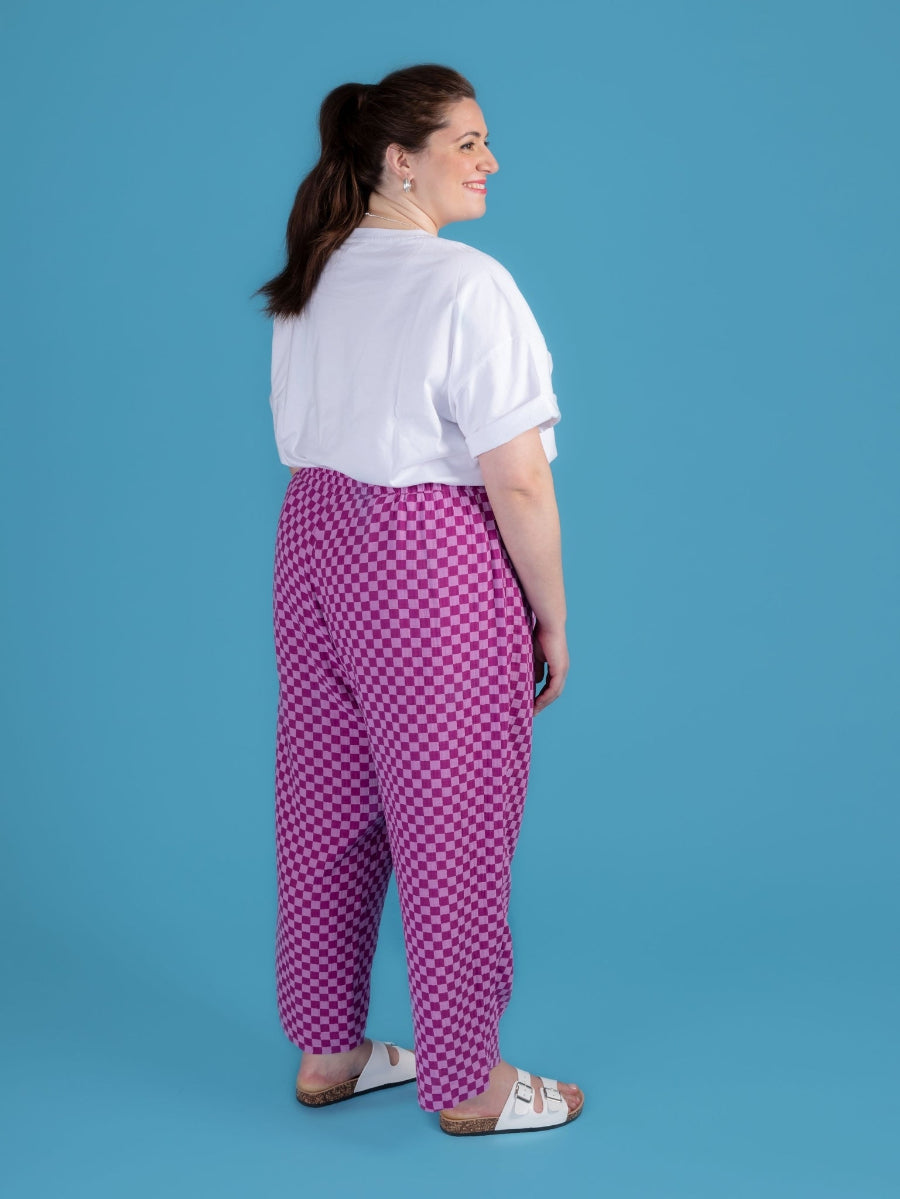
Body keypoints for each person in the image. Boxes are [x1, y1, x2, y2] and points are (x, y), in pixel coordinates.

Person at [255, 62, 583, 1136]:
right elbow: (518, 474)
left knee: (326, 802)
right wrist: (552, 612)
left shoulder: (314, 275)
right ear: (401, 158)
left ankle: (330, 1048)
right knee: (454, 818)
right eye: (469, 141)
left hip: (312, 543)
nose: (491, 161)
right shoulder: (466, 284)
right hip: (426, 555)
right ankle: (468, 1081)